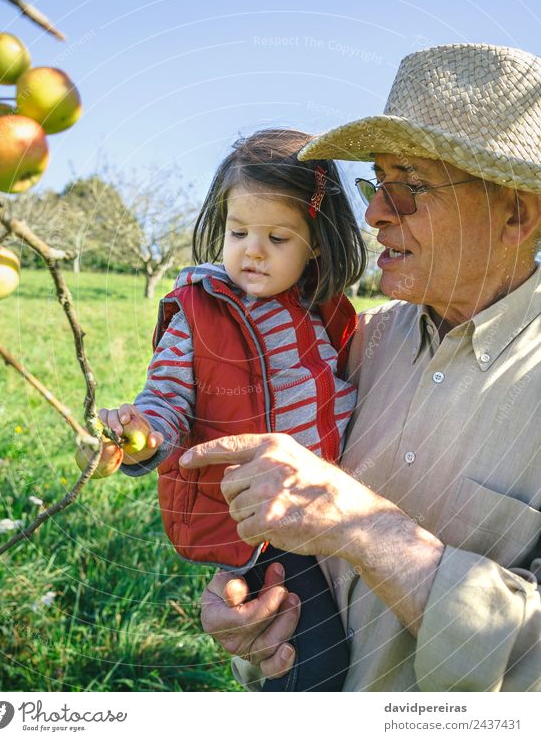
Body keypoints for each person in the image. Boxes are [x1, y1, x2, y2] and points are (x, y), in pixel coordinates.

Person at [184, 42, 541, 691]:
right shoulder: (357, 348)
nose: (375, 211)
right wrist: (251, 613)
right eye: (379, 183)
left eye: (410, 188)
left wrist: (368, 528)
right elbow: (298, 550)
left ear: (516, 212)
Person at [98, 128, 367, 691]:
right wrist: (142, 435)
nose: (252, 250)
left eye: (277, 236)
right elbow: (166, 397)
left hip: (334, 511)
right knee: (313, 663)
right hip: (263, 526)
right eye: (238, 231)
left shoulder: (323, 313)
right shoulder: (199, 313)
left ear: (315, 242)